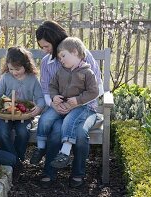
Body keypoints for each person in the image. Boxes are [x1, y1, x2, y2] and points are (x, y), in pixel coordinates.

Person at [29, 20, 103, 188]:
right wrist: (54, 104)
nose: (45, 51)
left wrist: (75, 103)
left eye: (46, 46)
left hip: (85, 108)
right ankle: (49, 172)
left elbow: (97, 87)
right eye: (42, 47)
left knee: (80, 133)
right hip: (59, 108)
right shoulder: (47, 63)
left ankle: (78, 173)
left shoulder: (81, 56)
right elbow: (47, 90)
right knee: (55, 131)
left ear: (56, 41)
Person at [0, 46, 46, 165]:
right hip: (6, 113)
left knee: (22, 132)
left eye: (17, 69)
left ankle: (19, 157)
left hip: (24, 114)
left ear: (26, 65)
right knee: (2, 131)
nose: (14, 72)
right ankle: (13, 161)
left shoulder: (32, 79)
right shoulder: (6, 77)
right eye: (11, 69)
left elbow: (40, 98)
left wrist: (38, 107)